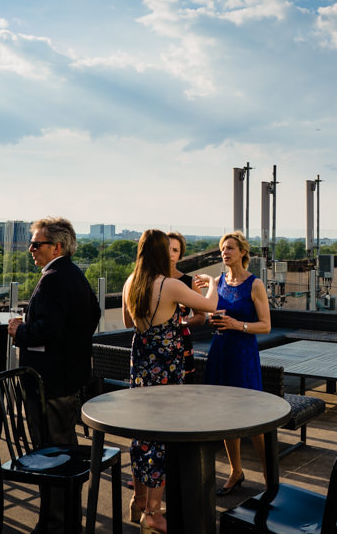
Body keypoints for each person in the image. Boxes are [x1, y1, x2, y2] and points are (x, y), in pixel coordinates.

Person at [121, 229, 220, 534]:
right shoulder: (169, 285)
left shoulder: (130, 283)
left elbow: (128, 323)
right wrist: (213, 284)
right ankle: (153, 513)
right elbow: (210, 307)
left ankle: (138, 500)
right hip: (166, 365)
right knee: (160, 437)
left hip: (141, 361)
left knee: (141, 433)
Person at [8, 216, 100, 534]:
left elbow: (48, 330)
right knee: (64, 451)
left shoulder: (54, 278)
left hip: (49, 383)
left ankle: (56, 525)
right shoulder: (73, 274)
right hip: (68, 378)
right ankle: (65, 520)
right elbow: (94, 313)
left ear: (56, 246)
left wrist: (21, 330)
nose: (30, 249)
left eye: (36, 243)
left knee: (52, 457)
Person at [203, 230, 272, 496]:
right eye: (222, 248)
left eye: (230, 248)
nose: (225, 252)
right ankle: (236, 471)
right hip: (220, 350)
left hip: (243, 353)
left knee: (253, 415)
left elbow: (266, 325)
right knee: (225, 413)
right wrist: (214, 319)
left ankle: (269, 474)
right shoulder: (218, 281)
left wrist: (237, 324)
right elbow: (211, 311)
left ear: (243, 252)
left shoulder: (255, 284)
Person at [167, 231, 208, 383]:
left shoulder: (189, 282)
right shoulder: (150, 280)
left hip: (181, 343)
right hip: (153, 344)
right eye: (167, 248)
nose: (170, 253)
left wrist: (182, 323)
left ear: (180, 255)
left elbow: (201, 316)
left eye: (175, 250)